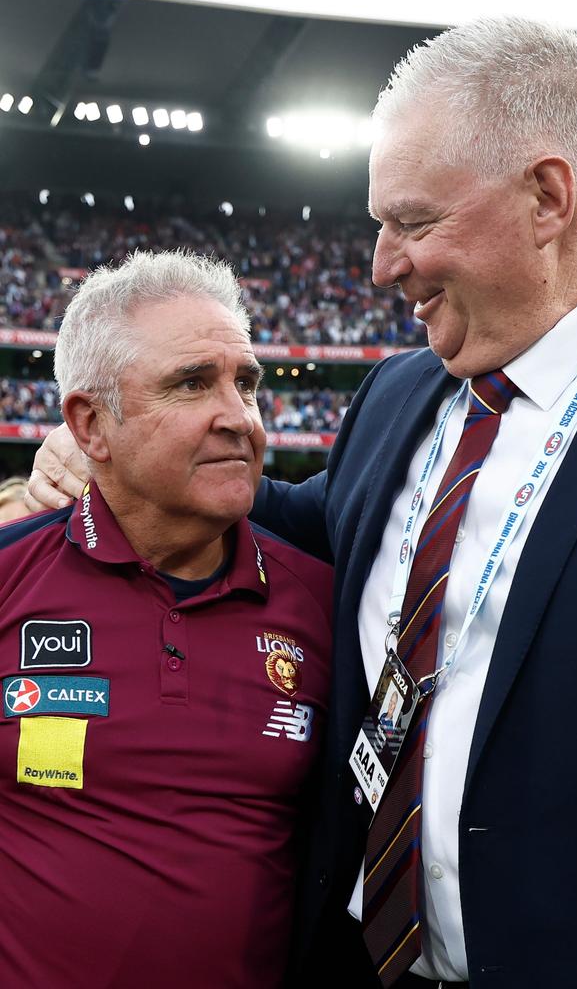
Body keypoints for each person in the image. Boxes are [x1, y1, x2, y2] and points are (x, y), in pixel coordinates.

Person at [25, 15, 577, 989]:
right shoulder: (400, 395)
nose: (378, 265)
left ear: (545, 197)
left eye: (411, 221)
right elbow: (292, 520)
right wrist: (98, 450)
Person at [1, 249, 333, 989]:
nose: (238, 416)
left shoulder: (322, 602)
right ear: (89, 424)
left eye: (245, 383)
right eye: (191, 384)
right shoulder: (9, 578)